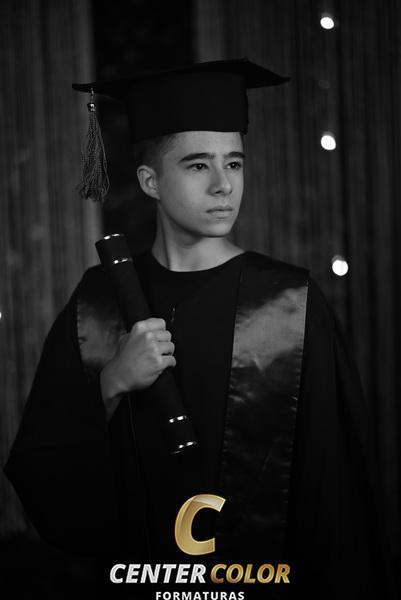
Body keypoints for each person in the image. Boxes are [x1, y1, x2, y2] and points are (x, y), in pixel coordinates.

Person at [4, 59, 392, 599]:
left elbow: (334, 487)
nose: (223, 185)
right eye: (196, 165)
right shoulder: (99, 299)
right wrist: (112, 382)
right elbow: (41, 467)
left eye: (234, 163)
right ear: (150, 182)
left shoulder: (290, 301)